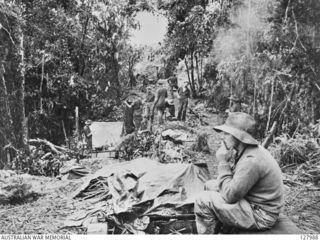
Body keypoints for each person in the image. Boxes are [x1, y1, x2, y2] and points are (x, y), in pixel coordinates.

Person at [194, 112, 284, 234]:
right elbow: (234, 184)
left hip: (261, 214)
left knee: (202, 200)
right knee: (209, 185)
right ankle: (222, 227)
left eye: (227, 134)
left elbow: (230, 196)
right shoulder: (246, 151)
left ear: (238, 136)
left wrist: (223, 162)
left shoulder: (251, 160)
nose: (223, 137)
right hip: (253, 202)